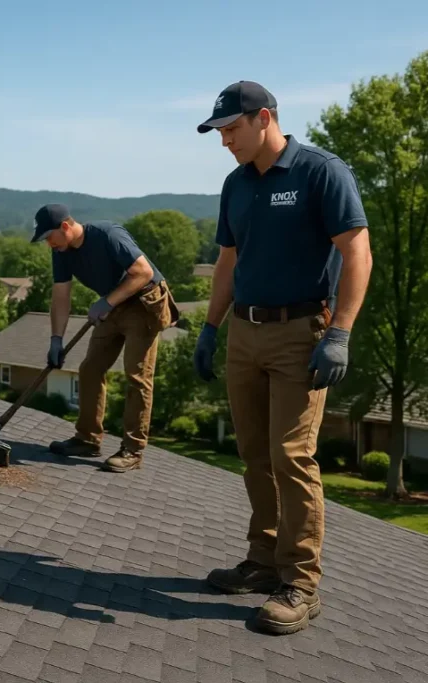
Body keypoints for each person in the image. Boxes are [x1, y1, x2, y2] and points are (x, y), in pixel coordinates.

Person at [193, 81, 372, 635]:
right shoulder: (236, 184)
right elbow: (228, 259)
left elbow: (357, 250)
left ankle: (301, 583)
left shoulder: (321, 171)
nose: (224, 141)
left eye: (231, 129)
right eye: (219, 133)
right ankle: (264, 559)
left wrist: (339, 332)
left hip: (302, 333)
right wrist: (210, 327)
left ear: (264, 117)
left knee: (292, 455)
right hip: (245, 333)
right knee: (253, 453)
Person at [33, 204, 179, 473]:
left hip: (144, 303)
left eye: (48, 237)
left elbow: (143, 272)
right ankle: (87, 439)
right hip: (112, 304)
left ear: (65, 227)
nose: (48, 244)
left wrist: (107, 302)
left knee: (136, 376)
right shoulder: (62, 251)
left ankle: (133, 451)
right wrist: (56, 339)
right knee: (90, 369)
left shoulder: (107, 234)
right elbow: (61, 296)